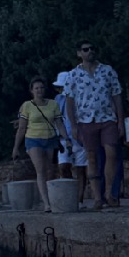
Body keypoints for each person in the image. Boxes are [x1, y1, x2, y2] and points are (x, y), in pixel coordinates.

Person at [66, 40, 125, 210]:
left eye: (92, 48)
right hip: (85, 121)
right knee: (91, 158)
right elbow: (69, 102)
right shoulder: (73, 75)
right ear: (79, 53)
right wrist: (73, 126)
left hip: (107, 118)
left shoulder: (107, 70)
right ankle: (97, 197)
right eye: (86, 49)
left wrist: (120, 120)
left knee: (111, 152)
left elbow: (117, 95)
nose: (90, 51)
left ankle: (109, 193)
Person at [12, 76, 70, 212]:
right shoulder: (27, 106)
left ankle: (51, 198)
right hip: (33, 139)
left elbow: (59, 123)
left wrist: (67, 139)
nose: (39, 90)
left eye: (41, 88)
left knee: (50, 170)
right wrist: (16, 147)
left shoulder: (53, 104)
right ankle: (46, 203)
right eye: (36, 88)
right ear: (32, 90)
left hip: (50, 138)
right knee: (40, 169)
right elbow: (22, 128)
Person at [53, 70, 89, 208]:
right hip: (64, 138)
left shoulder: (80, 97)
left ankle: (79, 199)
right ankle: (69, 196)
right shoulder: (57, 100)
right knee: (63, 167)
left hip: (79, 138)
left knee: (81, 169)